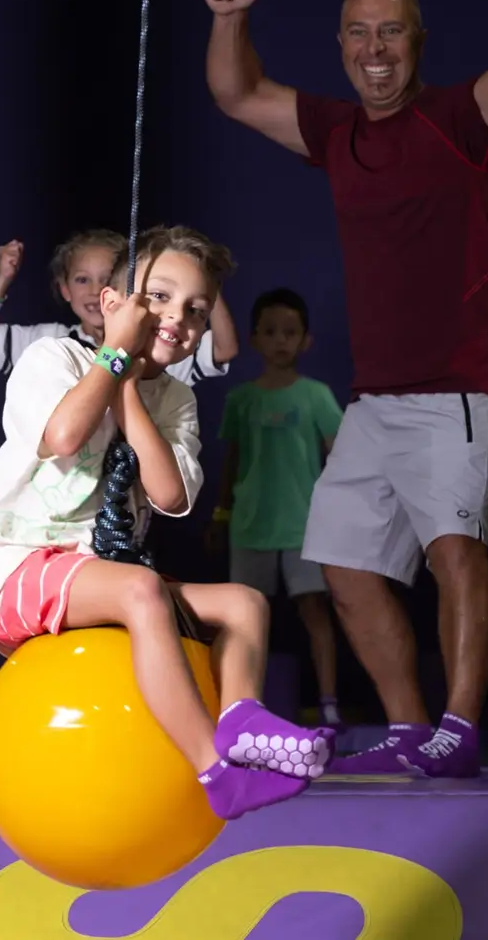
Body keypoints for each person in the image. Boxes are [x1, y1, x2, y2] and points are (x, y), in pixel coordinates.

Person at [202, 0, 488, 777]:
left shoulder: (458, 119)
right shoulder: (337, 132)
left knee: (454, 551)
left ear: (417, 41)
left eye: (390, 30)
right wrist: (229, 16)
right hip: (377, 396)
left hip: (462, 387)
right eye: (358, 33)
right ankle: (407, 728)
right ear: (342, 48)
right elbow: (238, 95)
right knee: (345, 566)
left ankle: (458, 731)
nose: (374, 48)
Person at [0, 226, 335, 819]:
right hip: (19, 569)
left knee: (245, 605)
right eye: (158, 298)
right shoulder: (53, 358)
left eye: (196, 310)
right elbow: (62, 437)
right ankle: (216, 775)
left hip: (102, 577)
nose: (177, 319)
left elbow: (169, 496)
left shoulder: (177, 400)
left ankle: (241, 725)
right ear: (115, 306)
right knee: (141, 589)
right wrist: (115, 360)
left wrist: (131, 392)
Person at [207, 288, 345, 726]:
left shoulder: (317, 395)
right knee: (246, 620)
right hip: (249, 526)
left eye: (290, 332)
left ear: (305, 340)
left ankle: (328, 704)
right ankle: (242, 707)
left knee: (315, 612)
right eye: (270, 332)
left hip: (305, 526)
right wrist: (221, 514)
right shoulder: (241, 399)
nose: (280, 340)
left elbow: (338, 455)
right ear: (254, 340)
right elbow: (230, 462)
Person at [0, 228, 239, 387]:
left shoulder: (158, 346)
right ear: (65, 289)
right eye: (82, 280)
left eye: (106, 279)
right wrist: (2, 280)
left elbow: (223, 349)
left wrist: (201, 283)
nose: (96, 292)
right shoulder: (48, 343)